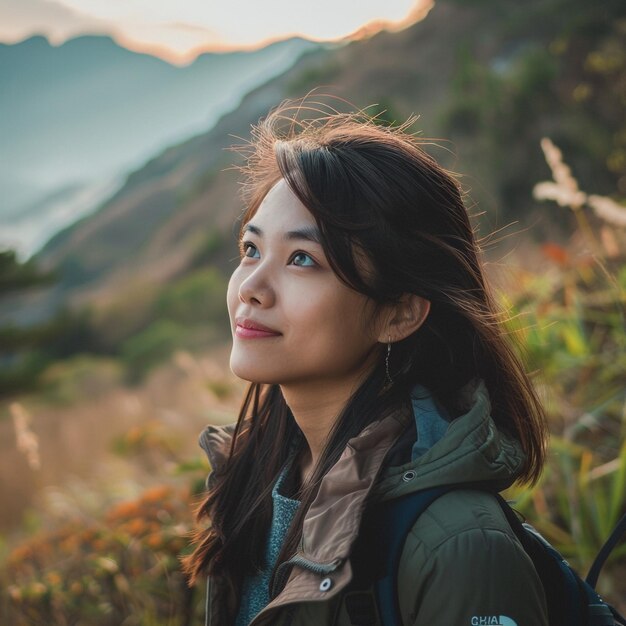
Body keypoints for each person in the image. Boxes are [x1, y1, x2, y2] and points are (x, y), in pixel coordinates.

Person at [182, 100, 550, 626]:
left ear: (399, 314)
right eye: (250, 249)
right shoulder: (253, 488)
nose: (252, 289)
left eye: (302, 259)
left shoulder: (459, 545)